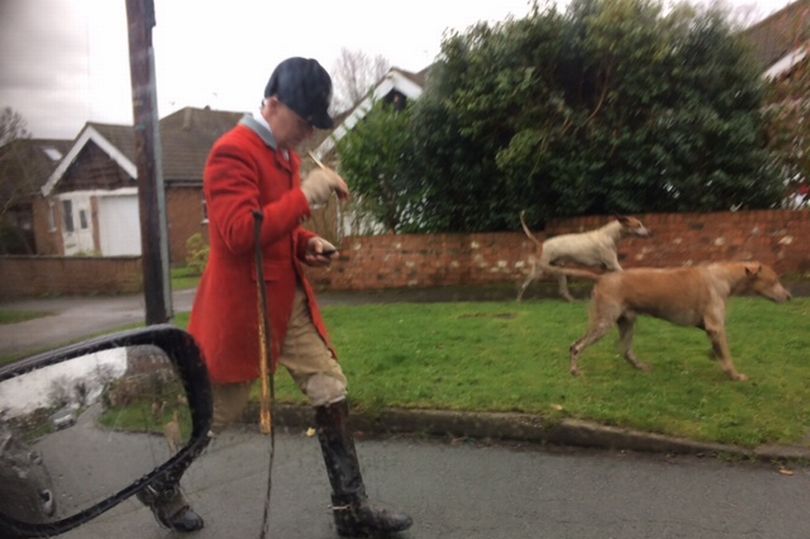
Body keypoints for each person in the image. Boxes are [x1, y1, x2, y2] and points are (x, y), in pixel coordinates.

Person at [138, 57, 413, 536]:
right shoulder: (232, 152)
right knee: (218, 413)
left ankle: (351, 511)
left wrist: (307, 243)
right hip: (245, 311)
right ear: (271, 103)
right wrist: (307, 195)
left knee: (331, 388)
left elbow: (277, 228)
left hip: (290, 305)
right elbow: (239, 233)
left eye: (312, 125)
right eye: (302, 121)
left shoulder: (286, 156)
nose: (307, 134)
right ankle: (161, 481)